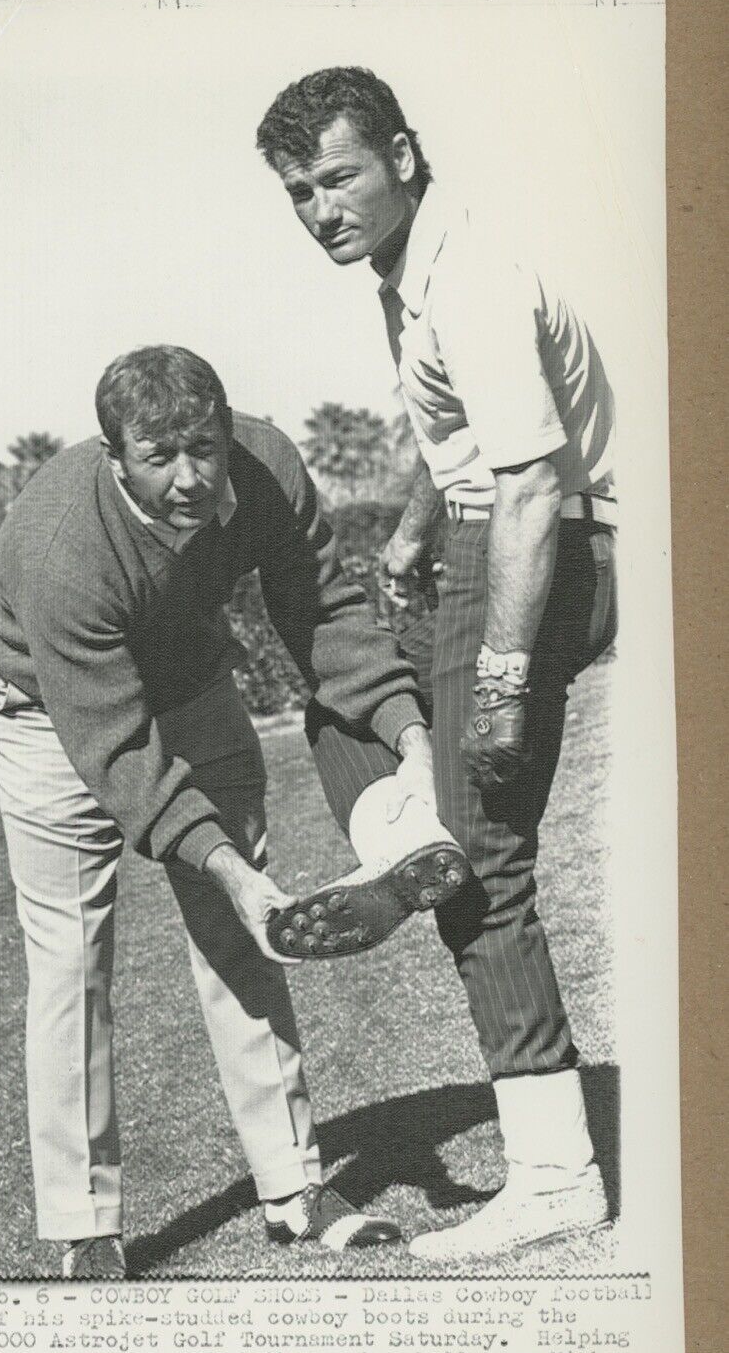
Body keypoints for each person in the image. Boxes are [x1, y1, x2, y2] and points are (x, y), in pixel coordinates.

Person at [0, 344, 469, 1277]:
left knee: (248, 936)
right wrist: (227, 866)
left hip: (191, 680)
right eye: (159, 457)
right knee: (73, 959)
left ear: (228, 429)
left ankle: (294, 1186)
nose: (190, 476)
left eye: (204, 447)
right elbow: (115, 749)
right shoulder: (58, 547)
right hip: (49, 712)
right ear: (116, 457)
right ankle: (85, 1226)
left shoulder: (267, 465)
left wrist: (409, 737)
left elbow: (325, 610)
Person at [256, 68, 618, 1261]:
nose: (320, 209)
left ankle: (558, 1175)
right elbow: (452, 433)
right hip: (475, 533)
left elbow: (527, 484)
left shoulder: (471, 279)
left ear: (405, 156)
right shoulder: (405, 274)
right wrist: (412, 528)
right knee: (345, 703)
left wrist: (507, 681)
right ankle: (407, 835)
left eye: (341, 176)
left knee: (487, 864)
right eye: (300, 190)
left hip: (538, 547)